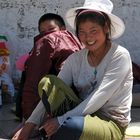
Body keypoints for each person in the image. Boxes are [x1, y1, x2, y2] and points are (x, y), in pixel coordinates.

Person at [12, 0, 133, 140]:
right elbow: (53, 90)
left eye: (94, 31)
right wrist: (28, 126)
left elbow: (99, 96)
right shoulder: (75, 58)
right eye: (82, 32)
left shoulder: (119, 55)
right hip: (80, 114)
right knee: (49, 83)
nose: (88, 38)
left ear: (106, 28)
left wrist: (60, 120)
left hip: (110, 122)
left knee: (71, 126)